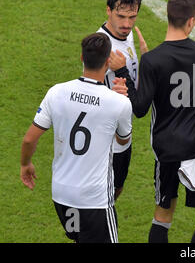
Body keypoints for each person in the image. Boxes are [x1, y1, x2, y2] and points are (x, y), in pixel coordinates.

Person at [110, 0, 195, 243]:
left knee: (163, 215)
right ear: (191, 21)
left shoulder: (153, 60)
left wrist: (123, 70)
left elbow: (139, 108)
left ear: (168, 16)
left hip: (167, 147)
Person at [20, 33, 132, 243]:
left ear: (82, 57)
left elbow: (28, 140)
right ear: (108, 62)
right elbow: (123, 141)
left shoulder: (57, 92)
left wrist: (25, 164)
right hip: (94, 201)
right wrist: (118, 100)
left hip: (62, 198)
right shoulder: (119, 104)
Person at [97, 0, 147, 200]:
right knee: (103, 196)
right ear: (108, 10)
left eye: (132, 17)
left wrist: (147, 60)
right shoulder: (101, 45)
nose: (127, 24)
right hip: (105, 137)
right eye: (121, 16)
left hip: (123, 132)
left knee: (116, 190)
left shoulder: (127, 34)